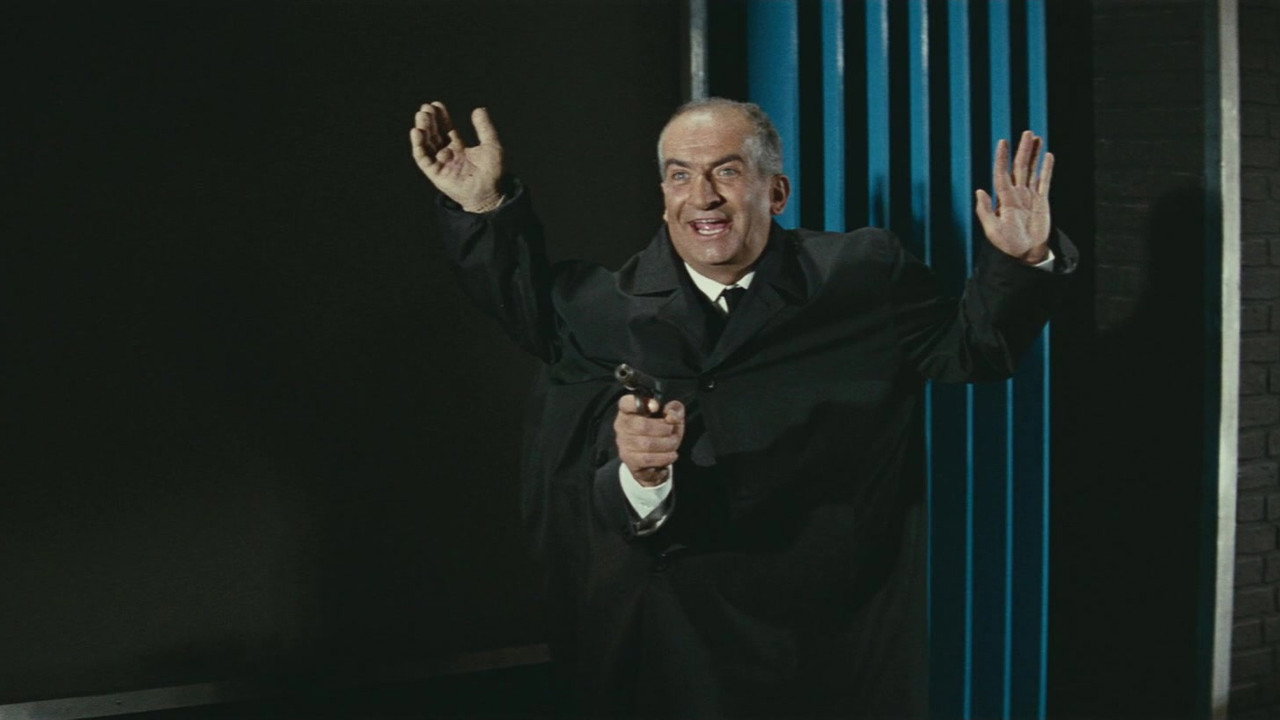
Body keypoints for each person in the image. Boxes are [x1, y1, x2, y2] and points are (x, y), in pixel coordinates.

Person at [410, 97, 1074, 718]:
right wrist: (484, 205)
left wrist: (1021, 261)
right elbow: (518, 300)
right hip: (668, 641)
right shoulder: (601, 307)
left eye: (726, 172)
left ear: (776, 193)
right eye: (680, 176)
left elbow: (972, 351)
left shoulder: (863, 273)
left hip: (822, 640)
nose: (702, 196)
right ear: (664, 197)